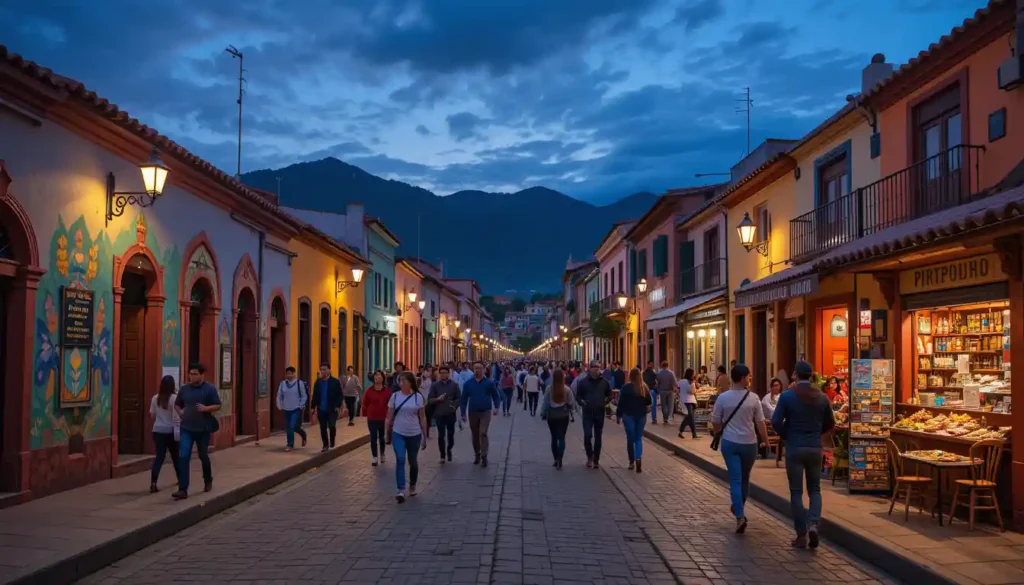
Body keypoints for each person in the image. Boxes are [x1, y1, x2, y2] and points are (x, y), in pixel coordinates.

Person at [772, 361, 835, 549]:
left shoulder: (787, 396)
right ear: (811, 376)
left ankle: (801, 534)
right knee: (815, 489)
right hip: (815, 447)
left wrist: (786, 434)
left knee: (796, 492)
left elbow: (775, 421)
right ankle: (813, 523)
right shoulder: (822, 397)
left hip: (794, 447)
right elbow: (830, 423)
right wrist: (817, 434)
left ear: (795, 375)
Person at [711, 364, 769, 534]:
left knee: (735, 479)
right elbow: (760, 423)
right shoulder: (753, 398)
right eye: (749, 376)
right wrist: (765, 441)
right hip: (749, 444)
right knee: (745, 479)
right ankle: (739, 508)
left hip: (729, 442)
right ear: (743, 378)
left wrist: (719, 433)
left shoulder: (723, 398)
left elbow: (715, 420)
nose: (750, 379)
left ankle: (740, 515)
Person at [172, 363, 221, 500]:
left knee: (203, 455)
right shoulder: (184, 389)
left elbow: (218, 405)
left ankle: (207, 479)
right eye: (191, 374)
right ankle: (183, 489)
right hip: (186, 428)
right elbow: (177, 404)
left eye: (195, 374)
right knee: (183, 456)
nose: (192, 376)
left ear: (201, 374)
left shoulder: (209, 389)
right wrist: (180, 412)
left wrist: (206, 408)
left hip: (203, 428)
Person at [385, 372, 428, 503]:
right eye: (400, 380)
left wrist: (424, 436)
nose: (402, 383)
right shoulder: (395, 397)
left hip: (414, 433)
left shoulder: (418, 397)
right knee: (400, 458)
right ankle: (401, 490)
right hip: (398, 432)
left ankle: (413, 484)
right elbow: (389, 416)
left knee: (413, 461)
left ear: (410, 382)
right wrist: (386, 432)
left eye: (404, 380)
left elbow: (422, 417)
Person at [459, 361, 501, 467]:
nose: (477, 370)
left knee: (483, 433)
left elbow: (495, 395)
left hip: (485, 411)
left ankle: (484, 455)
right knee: (475, 434)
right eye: (476, 368)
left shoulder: (489, 383)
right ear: (473, 370)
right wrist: (463, 413)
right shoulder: (468, 384)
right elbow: (463, 398)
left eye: (480, 368)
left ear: (484, 369)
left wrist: (496, 407)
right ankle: (477, 453)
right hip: (473, 411)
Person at [576, 360, 612, 469]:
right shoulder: (583, 382)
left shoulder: (605, 382)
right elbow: (578, 396)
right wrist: (582, 402)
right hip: (587, 413)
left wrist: (605, 402)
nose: (596, 369)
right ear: (590, 368)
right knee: (587, 435)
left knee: (598, 437)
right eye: (594, 367)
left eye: (598, 367)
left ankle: (596, 459)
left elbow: (609, 395)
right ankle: (589, 456)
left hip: (599, 413)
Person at [617, 368, 652, 473]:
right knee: (638, 438)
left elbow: (621, 403)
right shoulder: (644, 387)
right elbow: (649, 402)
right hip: (641, 415)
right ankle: (638, 458)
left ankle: (631, 462)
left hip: (628, 415)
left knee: (630, 438)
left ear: (630, 376)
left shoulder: (626, 388)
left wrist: (618, 415)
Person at [149, 374, 180, 493]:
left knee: (159, 457)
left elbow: (152, 415)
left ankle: (153, 482)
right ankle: (180, 479)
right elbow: (178, 415)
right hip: (171, 431)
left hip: (157, 430)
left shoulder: (155, 398)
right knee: (175, 456)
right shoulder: (174, 398)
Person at [540, 368, 575, 469]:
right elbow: (572, 403)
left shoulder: (549, 389)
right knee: (562, 438)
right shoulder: (566, 389)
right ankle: (560, 458)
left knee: (554, 438)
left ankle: (555, 459)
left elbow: (545, 403)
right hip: (563, 416)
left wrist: (543, 413)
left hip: (552, 416)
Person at [428, 365, 461, 463]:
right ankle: (442, 455)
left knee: (450, 434)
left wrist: (454, 405)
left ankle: (449, 448)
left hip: (450, 413)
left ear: (448, 374)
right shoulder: (435, 385)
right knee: (441, 435)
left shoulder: (454, 385)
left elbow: (459, 398)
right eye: (441, 373)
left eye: (445, 373)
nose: (443, 375)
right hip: (439, 413)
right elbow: (430, 400)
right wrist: (438, 399)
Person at [311, 364, 346, 453]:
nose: (323, 371)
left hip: (332, 409)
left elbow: (340, 395)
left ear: (329, 370)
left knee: (332, 426)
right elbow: (315, 395)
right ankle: (325, 444)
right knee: (322, 428)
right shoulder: (318, 382)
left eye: (325, 369)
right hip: (321, 409)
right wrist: (313, 407)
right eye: (321, 369)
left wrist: (338, 406)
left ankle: (332, 440)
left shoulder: (335, 382)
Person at [361, 370, 391, 466]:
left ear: (383, 378)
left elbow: (391, 404)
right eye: (376, 376)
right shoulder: (369, 390)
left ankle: (382, 453)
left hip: (383, 418)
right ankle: (374, 457)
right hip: (372, 418)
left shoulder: (387, 391)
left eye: (380, 376)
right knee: (373, 438)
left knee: (382, 438)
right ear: (373, 379)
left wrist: (390, 416)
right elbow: (364, 403)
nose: (378, 378)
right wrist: (365, 413)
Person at [276, 366, 308, 451]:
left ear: (294, 374)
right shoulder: (282, 384)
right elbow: (279, 395)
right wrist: (279, 405)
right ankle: (303, 434)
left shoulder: (299, 383)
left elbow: (304, 395)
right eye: (287, 374)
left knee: (291, 426)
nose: (288, 375)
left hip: (296, 408)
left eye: (290, 373)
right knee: (293, 427)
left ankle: (290, 444)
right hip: (286, 408)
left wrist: (301, 405)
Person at [677, 368, 699, 439]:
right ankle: (681, 430)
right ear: (691, 374)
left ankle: (694, 434)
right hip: (690, 401)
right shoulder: (691, 382)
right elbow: (692, 392)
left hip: (683, 400)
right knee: (689, 416)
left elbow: (678, 389)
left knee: (690, 417)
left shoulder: (681, 381)